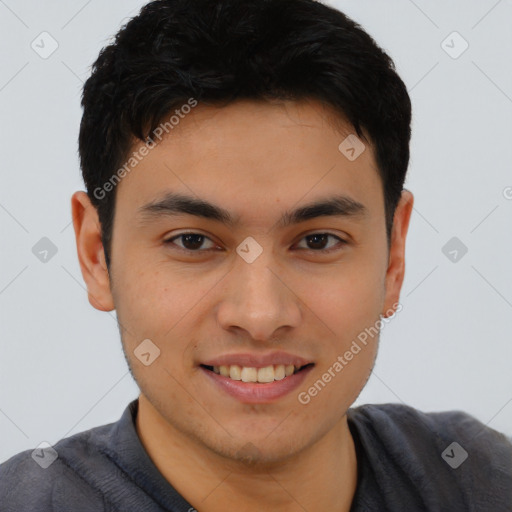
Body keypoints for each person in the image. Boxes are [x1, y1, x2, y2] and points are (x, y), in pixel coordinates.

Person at [1, 0, 511, 510]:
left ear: (393, 257)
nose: (261, 316)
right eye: (192, 241)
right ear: (96, 254)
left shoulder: (479, 480)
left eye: (318, 241)